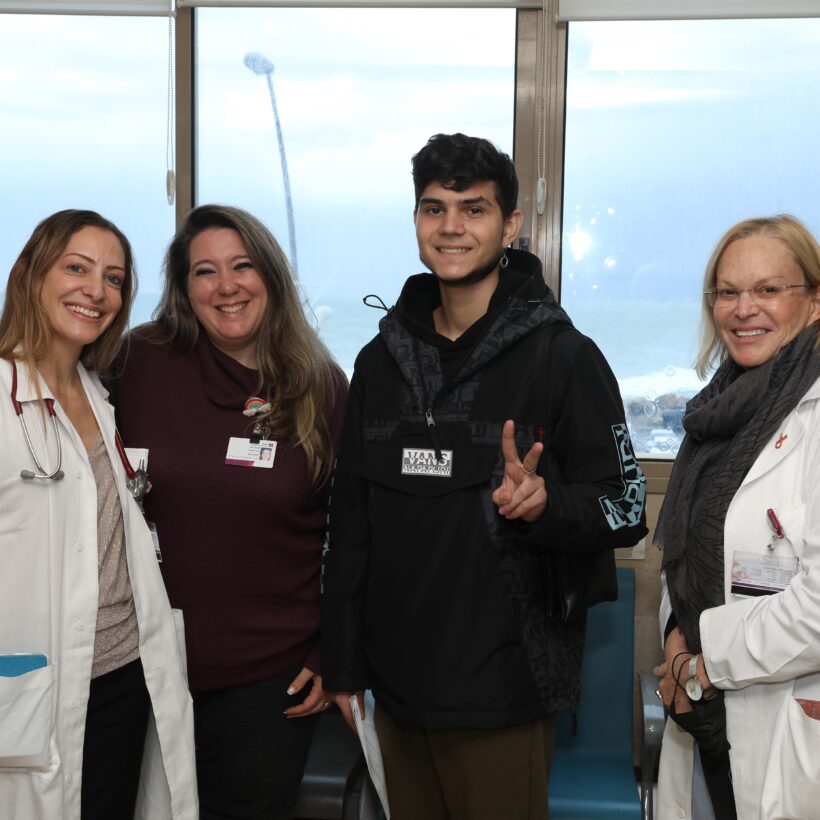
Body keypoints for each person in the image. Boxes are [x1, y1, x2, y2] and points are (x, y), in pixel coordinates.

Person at [321, 133, 648, 820]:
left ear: (510, 226)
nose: (451, 227)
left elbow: (627, 506)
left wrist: (546, 504)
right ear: (416, 220)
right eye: (434, 208)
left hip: (504, 691)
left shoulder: (562, 356)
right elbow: (351, 524)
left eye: (473, 209)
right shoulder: (379, 363)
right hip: (396, 692)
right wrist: (344, 664)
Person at [106, 204, 348, 820]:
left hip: (268, 682)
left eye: (242, 266)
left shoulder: (319, 387)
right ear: (184, 288)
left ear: (270, 275)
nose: (226, 286)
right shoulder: (137, 363)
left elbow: (354, 533)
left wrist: (333, 653)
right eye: (205, 271)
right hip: (141, 669)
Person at [0, 210, 198, 819]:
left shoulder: (100, 397)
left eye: (113, 279)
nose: (96, 291)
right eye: (76, 268)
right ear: (30, 272)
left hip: (121, 676)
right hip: (29, 685)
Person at [655, 214, 820, 820]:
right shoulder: (715, 415)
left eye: (768, 289)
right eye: (728, 292)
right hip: (701, 714)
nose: (744, 309)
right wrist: (676, 641)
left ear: (815, 301)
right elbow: (685, 556)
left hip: (788, 721)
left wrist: (705, 662)